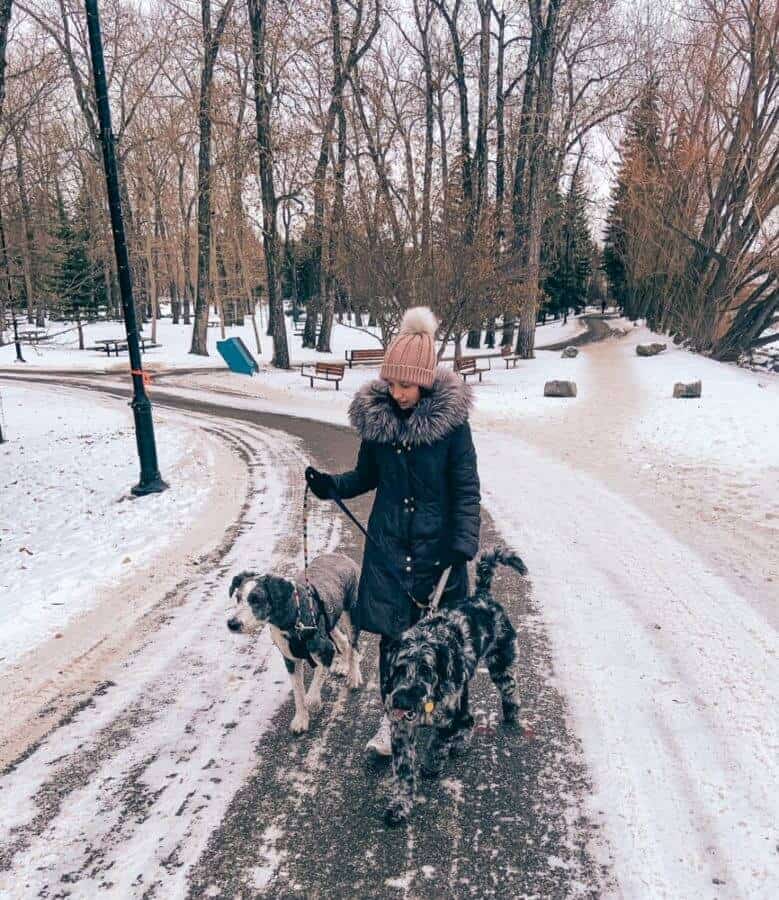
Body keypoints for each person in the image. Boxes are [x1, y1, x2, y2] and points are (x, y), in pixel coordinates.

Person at [305, 306, 481, 760]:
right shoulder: (379, 423)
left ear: (424, 380)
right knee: (394, 643)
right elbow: (367, 476)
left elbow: (466, 488)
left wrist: (463, 543)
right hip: (387, 551)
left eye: (405, 384)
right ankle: (393, 718)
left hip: (437, 555)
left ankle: (452, 715)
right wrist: (331, 487)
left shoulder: (452, 428)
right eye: (392, 383)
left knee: (442, 644)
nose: (397, 392)